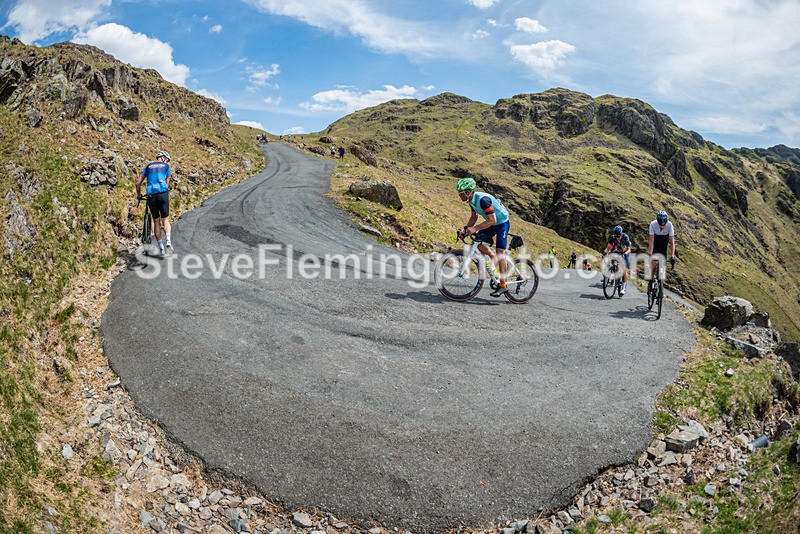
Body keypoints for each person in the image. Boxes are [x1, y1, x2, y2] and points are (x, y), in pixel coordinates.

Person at [455, 177, 511, 297]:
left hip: (501, 223)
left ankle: (503, 285)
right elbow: (474, 217)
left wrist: (474, 228)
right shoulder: (471, 200)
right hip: (491, 223)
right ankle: (492, 257)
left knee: (500, 251)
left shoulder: (483, 200)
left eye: (461, 194)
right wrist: (465, 230)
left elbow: (493, 220)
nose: (459, 196)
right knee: (478, 242)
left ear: (468, 192)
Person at [136, 150, 172, 256]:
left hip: (151, 195)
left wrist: (139, 195)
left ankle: (161, 247)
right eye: (167, 160)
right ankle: (168, 241)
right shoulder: (166, 166)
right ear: (163, 158)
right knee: (165, 219)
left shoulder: (148, 166)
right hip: (162, 193)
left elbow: (138, 183)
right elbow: (167, 182)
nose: (168, 162)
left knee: (156, 221)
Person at [648, 210, 676, 290]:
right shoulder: (653, 224)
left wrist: (672, 256)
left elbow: (672, 242)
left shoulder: (670, 225)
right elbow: (651, 241)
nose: (662, 227)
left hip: (664, 245)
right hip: (655, 244)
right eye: (660, 224)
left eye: (663, 225)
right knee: (654, 262)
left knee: (663, 267)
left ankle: (660, 286)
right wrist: (650, 254)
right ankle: (650, 281)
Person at [602, 225, 632, 295]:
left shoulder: (625, 237)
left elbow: (629, 249)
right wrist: (605, 253)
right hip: (618, 251)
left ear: (621, 234)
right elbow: (608, 247)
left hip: (625, 252)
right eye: (616, 236)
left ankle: (623, 287)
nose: (617, 238)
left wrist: (625, 254)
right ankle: (614, 271)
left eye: (618, 236)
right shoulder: (612, 237)